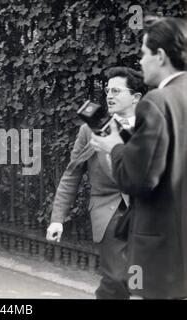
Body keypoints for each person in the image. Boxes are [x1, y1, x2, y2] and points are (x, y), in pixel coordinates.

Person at [90, 17, 187, 299]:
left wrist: (114, 147)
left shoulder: (157, 101)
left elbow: (138, 178)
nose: (141, 61)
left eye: (144, 53)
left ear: (161, 55)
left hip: (162, 248)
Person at [46, 67, 147, 299]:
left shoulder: (152, 127)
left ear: (136, 97)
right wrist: (57, 220)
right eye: (107, 91)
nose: (109, 96)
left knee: (138, 277)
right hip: (111, 211)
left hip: (146, 211)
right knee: (117, 276)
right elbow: (72, 174)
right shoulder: (90, 130)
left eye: (116, 91)